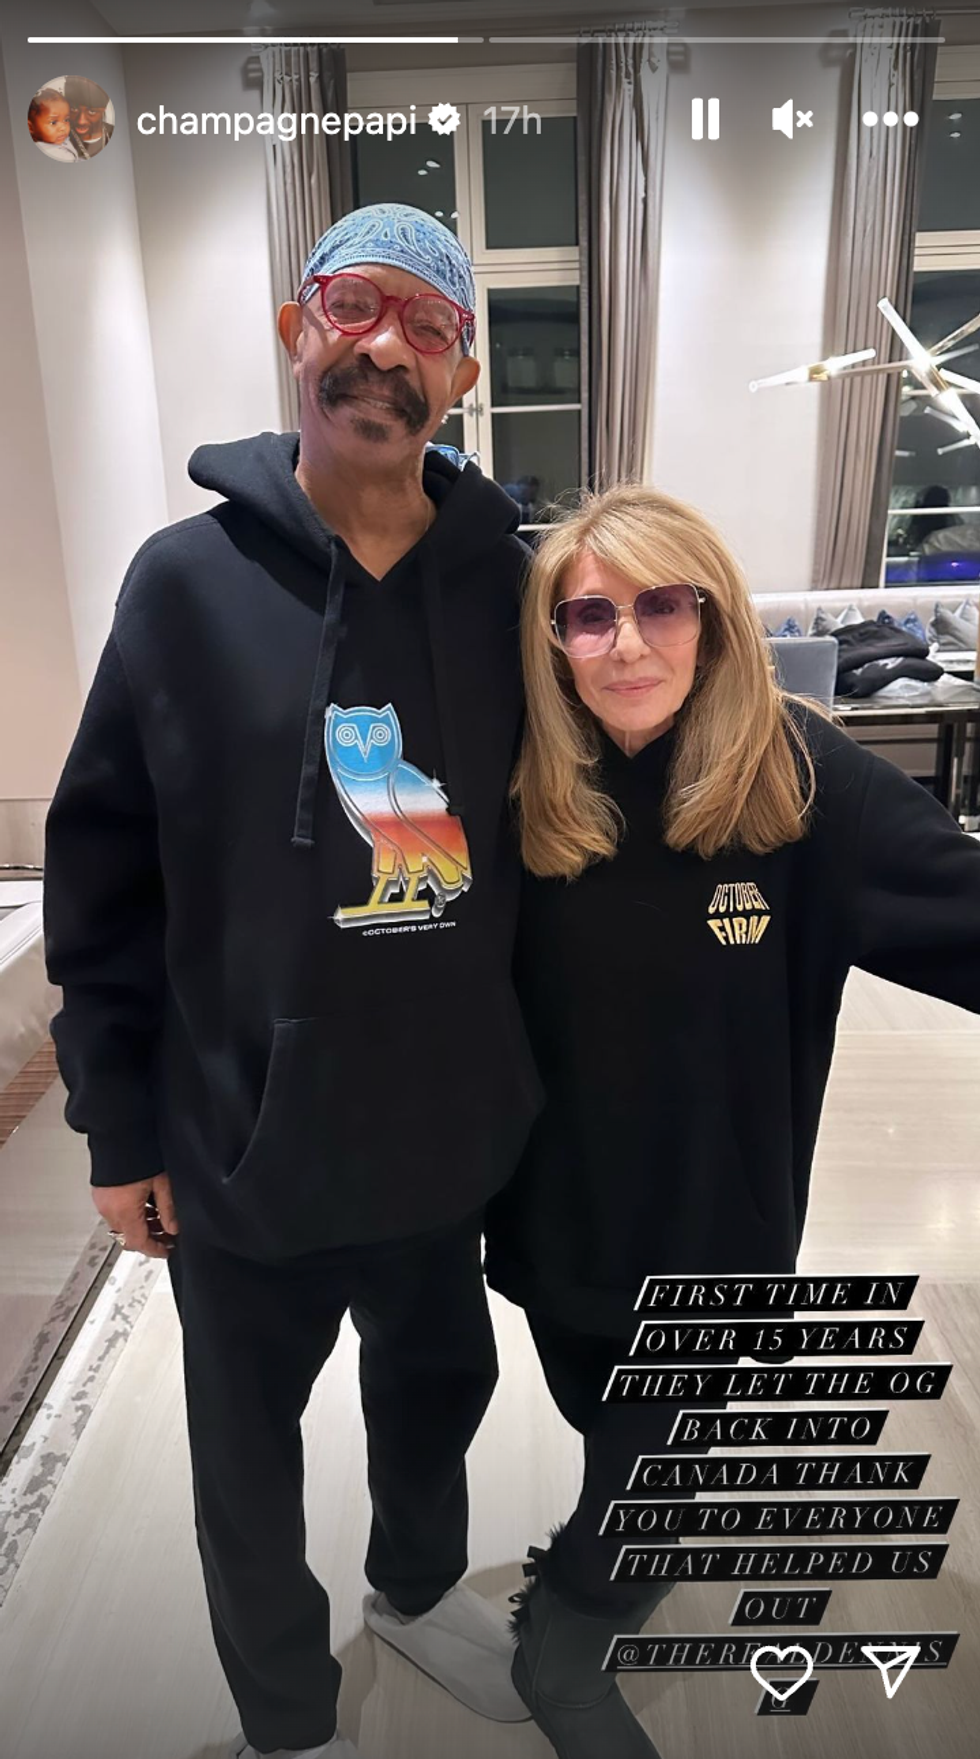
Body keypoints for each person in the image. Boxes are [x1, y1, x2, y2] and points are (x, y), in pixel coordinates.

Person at [43, 203, 543, 1759]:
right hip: (240, 1142)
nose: (383, 346)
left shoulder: (512, 588)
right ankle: (287, 1718)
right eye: (355, 306)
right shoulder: (180, 584)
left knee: (435, 1388)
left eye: (428, 325)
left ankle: (409, 1588)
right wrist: (118, 1125)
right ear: (295, 325)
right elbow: (103, 869)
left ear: (459, 373)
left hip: (442, 1136)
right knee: (243, 1463)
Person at [484, 481, 980, 1759]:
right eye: (589, 616)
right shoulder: (520, 787)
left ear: (711, 617)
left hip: (715, 1250)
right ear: (553, 639)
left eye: (662, 604)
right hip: (556, 1235)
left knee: (657, 1474)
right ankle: (604, 1550)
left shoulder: (800, 778)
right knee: (614, 1444)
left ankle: (563, 1648)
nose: (628, 642)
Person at [64, 74, 113, 157]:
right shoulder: (58, 138)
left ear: (104, 109)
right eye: (73, 109)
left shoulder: (113, 133)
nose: (81, 121)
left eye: (92, 111)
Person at [27, 86, 78, 161]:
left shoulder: (57, 139)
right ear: (30, 127)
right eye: (53, 122)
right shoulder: (49, 154)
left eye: (66, 120)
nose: (63, 127)